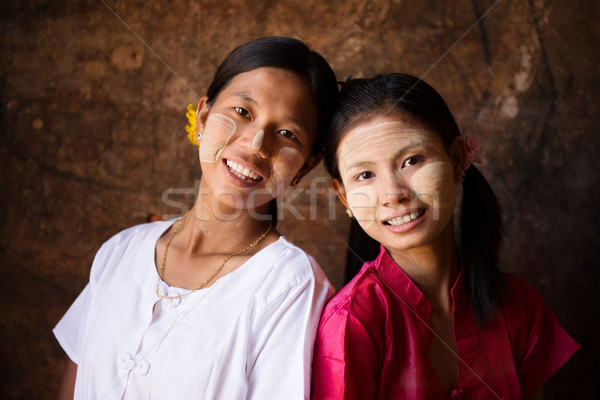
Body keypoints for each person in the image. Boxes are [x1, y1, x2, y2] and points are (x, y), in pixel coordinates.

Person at [54, 36, 338, 399]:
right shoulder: (121, 250)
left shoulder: (289, 285)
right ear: (203, 116)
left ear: (306, 164)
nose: (256, 144)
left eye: (287, 134)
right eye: (242, 112)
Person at [311, 73, 579, 399]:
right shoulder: (351, 324)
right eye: (365, 175)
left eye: (412, 160)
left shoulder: (518, 305)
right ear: (343, 197)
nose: (393, 193)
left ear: (455, 159)